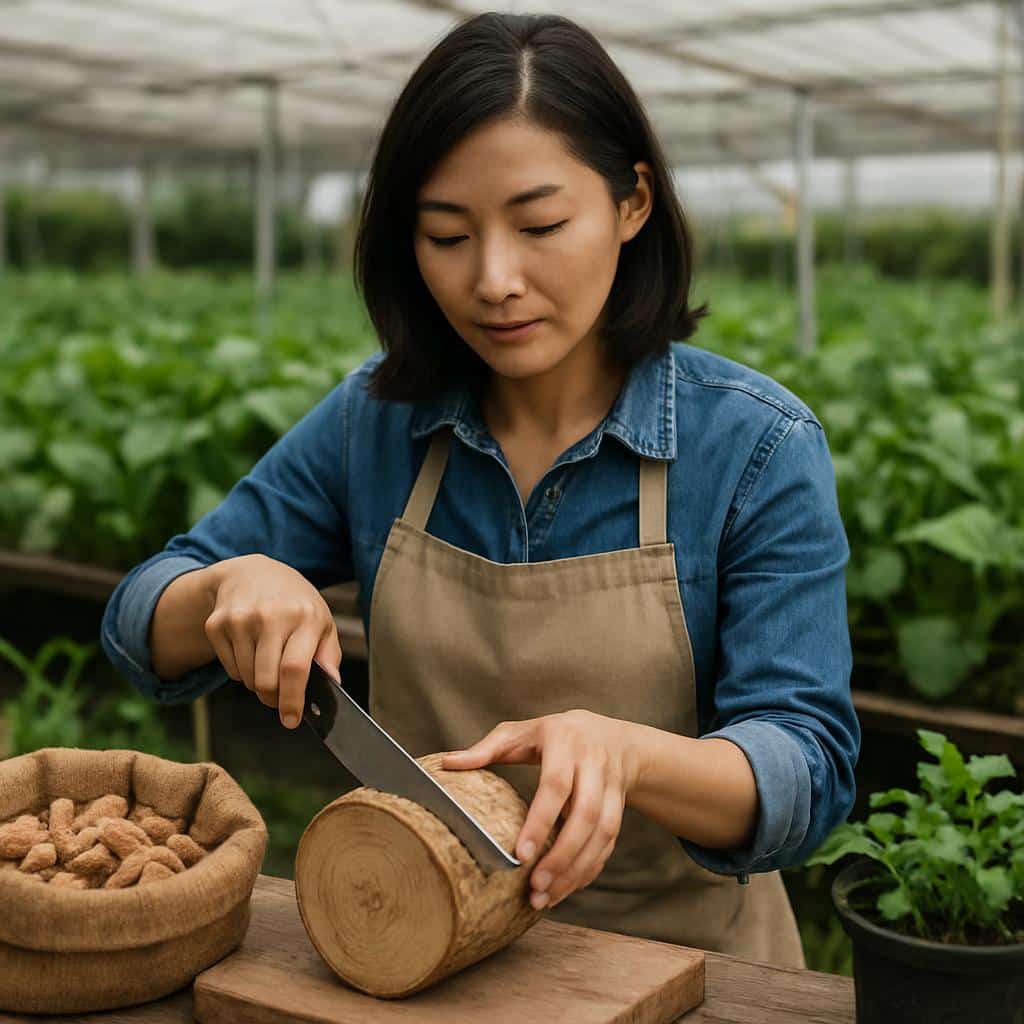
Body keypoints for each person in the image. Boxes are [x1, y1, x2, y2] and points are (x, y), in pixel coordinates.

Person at [101, 12, 859, 970]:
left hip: (688, 970)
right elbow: (138, 624)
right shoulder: (376, 423)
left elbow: (810, 765)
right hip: (415, 947)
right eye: (447, 235)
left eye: (540, 225)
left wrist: (630, 756)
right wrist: (225, 587)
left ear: (633, 204)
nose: (494, 280)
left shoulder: (754, 448)